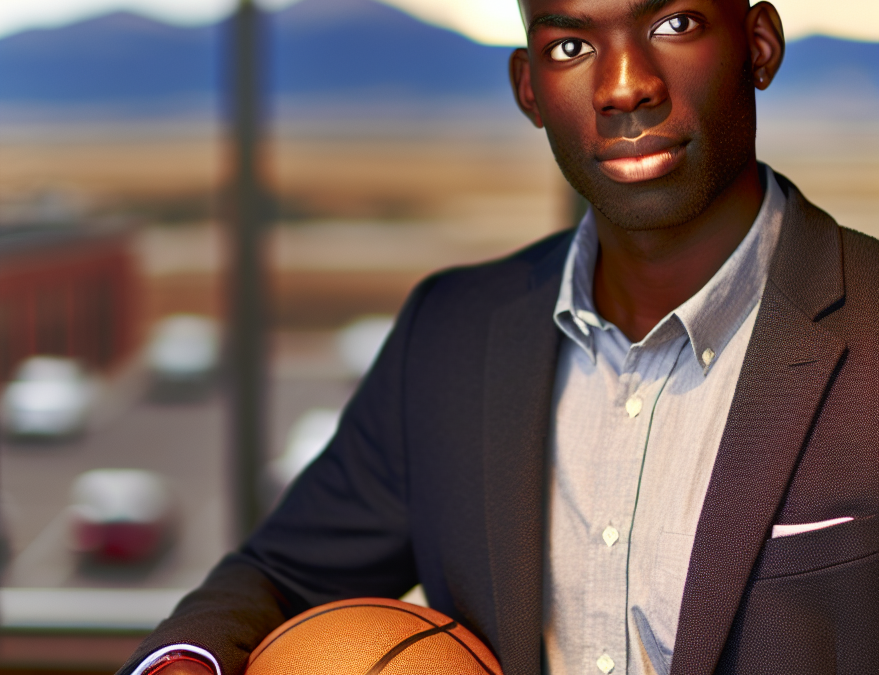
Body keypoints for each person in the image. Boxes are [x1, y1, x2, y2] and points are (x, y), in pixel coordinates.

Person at [119, 0, 879, 673]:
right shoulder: (450, 333)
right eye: (570, 47)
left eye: (673, 24)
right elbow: (284, 573)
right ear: (529, 90)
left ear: (759, 44)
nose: (624, 86)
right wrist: (184, 660)